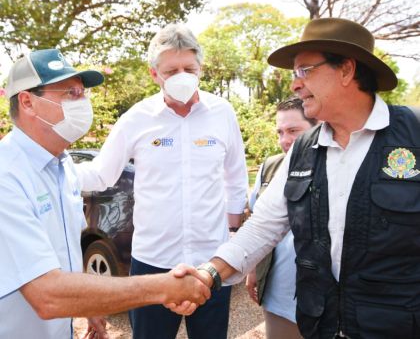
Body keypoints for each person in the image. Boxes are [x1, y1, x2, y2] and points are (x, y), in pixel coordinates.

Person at [171, 18, 420, 339]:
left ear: (346, 70)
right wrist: (208, 274)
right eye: (294, 74)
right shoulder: (304, 149)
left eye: (305, 70)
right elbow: (264, 226)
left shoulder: (413, 134)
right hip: (320, 326)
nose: (294, 84)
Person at [0, 49, 210, 339]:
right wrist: (164, 287)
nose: (82, 101)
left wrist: (89, 302)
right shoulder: (7, 176)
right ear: (28, 101)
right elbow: (46, 294)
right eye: (70, 93)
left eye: (83, 93)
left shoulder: (62, 168)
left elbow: (64, 252)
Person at [75, 24, 248, 339]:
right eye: (172, 70)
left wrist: (233, 235)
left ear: (200, 69)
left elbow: (235, 178)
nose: (182, 75)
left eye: (189, 68)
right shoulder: (136, 119)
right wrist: (53, 167)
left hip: (211, 262)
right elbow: (100, 174)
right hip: (152, 264)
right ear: (154, 74)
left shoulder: (222, 113)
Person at [246, 96, 317, 339]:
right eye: (280, 132)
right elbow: (258, 223)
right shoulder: (270, 167)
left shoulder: (337, 167)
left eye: (293, 131)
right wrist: (253, 270)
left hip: (325, 297)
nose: (284, 140)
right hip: (279, 296)